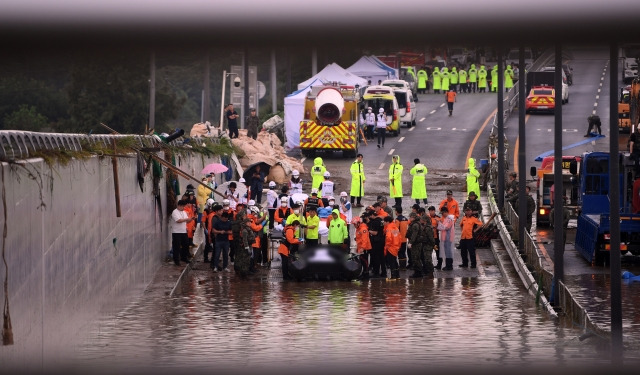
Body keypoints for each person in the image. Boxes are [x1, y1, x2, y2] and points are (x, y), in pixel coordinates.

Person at [171, 200, 195, 266]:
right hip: (176, 232)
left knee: (186, 245)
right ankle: (176, 260)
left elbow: (187, 221)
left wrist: (191, 219)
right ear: (179, 205)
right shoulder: (174, 212)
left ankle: (184, 258)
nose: (183, 208)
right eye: (182, 206)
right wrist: (186, 219)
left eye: (184, 206)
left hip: (183, 231)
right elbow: (178, 220)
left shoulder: (184, 212)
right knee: (177, 246)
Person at [367, 207, 386, 278]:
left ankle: (376, 272)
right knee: (382, 258)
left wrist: (368, 230)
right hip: (382, 240)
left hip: (377, 241)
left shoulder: (375, 222)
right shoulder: (381, 220)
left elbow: (375, 232)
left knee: (376, 257)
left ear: (372, 215)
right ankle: (384, 272)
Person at [437, 206, 456, 271]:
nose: (442, 215)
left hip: (448, 238)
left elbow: (446, 227)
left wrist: (438, 223)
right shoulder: (446, 219)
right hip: (445, 238)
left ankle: (449, 266)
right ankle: (447, 265)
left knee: (448, 252)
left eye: (442, 213)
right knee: (446, 252)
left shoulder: (449, 219)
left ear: (445, 212)